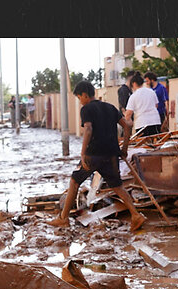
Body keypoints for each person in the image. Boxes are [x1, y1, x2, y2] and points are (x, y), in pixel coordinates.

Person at [46, 80, 145, 233]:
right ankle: (136, 215)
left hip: (93, 154)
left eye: (79, 98)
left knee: (74, 181)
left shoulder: (87, 109)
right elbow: (127, 126)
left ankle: (63, 218)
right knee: (117, 186)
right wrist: (124, 148)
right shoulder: (110, 107)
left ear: (84, 95)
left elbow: (89, 129)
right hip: (111, 154)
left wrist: (83, 152)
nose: (80, 101)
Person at [123, 72, 161, 139]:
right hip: (155, 121)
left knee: (144, 146)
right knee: (156, 143)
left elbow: (128, 114)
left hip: (142, 123)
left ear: (134, 84)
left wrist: (124, 124)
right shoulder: (151, 92)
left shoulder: (133, 96)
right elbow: (156, 105)